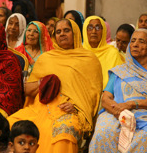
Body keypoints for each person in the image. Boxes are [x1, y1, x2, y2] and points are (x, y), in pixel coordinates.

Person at [8, 19, 103, 153]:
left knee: (63, 131)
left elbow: (93, 95)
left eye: (66, 30)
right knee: (10, 122)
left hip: (68, 110)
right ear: (54, 36)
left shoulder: (88, 59)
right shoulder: (46, 58)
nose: (62, 34)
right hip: (39, 107)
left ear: (75, 33)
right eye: (58, 32)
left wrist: (76, 107)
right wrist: (43, 82)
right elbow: (29, 90)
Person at [89, 29, 147, 152]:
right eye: (133, 41)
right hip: (117, 112)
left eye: (141, 41)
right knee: (104, 132)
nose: (135, 44)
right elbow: (106, 98)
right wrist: (118, 112)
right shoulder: (119, 71)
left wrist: (132, 104)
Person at [83, 15, 123, 89]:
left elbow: (118, 78)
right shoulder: (79, 52)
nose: (94, 31)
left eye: (98, 28)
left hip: (106, 95)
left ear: (104, 30)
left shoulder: (112, 53)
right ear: (85, 31)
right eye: (90, 28)